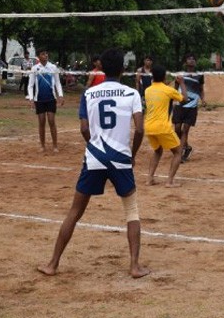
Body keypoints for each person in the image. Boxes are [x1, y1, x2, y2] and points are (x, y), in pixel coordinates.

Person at [37, 48, 149, 279]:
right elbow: (139, 129)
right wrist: (132, 154)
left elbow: (84, 128)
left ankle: (53, 264)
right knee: (131, 210)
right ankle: (134, 266)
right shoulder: (132, 94)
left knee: (75, 211)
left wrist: (94, 145)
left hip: (95, 157)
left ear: (100, 68)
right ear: (123, 69)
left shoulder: (89, 94)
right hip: (120, 158)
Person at [145, 65, 188, 187]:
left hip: (149, 126)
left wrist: (175, 85)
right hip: (162, 127)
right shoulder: (167, 90)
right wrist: (182, 83)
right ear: (164, 77)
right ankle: (169, 181)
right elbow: (184, 99)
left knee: (157, 151)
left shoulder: (148, 90)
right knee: (178, 152)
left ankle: (149, 179)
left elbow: (168, 98)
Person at [27, 50, 64, 152]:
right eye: (43, 54)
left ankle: (55, 145)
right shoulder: (35, 69)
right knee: (42, 121)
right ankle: (42, 145)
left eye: (46, 53)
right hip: (39, 99)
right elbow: (30, 85)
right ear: (38, 56)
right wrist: (31, 98)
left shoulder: (52, 67)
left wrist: (60, 95)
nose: (46, 55)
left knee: (51, 121)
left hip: (51, 98)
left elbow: (57, 82)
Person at [172, 54, 205, 163]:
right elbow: (175, 88)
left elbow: (201, 89)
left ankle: (181, 154)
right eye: (189, 59)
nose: (191, 60)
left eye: (193, 59)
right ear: (185, 62)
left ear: (195, 62)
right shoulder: (180, 75)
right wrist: (173, 99)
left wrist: (203, 99)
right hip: (180, 104)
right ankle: (187, 147)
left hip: (192, 106)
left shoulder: (199, 75)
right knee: (177, 129)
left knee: (185, 130)